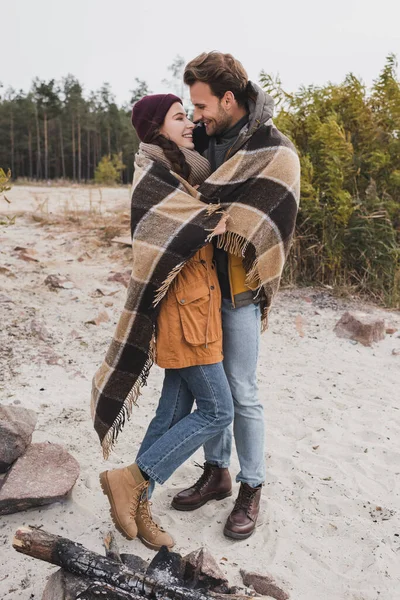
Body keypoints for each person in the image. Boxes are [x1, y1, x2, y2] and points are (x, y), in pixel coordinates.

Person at [170, 52, 300, 540]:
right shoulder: (198, 140)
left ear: (229, 98)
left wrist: (224, 218)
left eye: (202, 104)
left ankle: (252, 486)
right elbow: (171, 189)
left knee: (241, 391)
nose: (197, 113)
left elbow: (275, 217)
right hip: (196, 287)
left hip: (240, 289)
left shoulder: (275, 148)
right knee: (213, 391)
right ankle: (217, 472)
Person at [97, 94, 233, 551]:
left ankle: (138, 503)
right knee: (218, 411)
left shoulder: (181, 170)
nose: (190, 122)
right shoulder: (153, 175)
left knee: (173, 411)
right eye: (180, 116)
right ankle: (132, 477)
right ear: (157, 127)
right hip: (184, 310)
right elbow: (186, 230)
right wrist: (221, 216)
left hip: (200, 305)